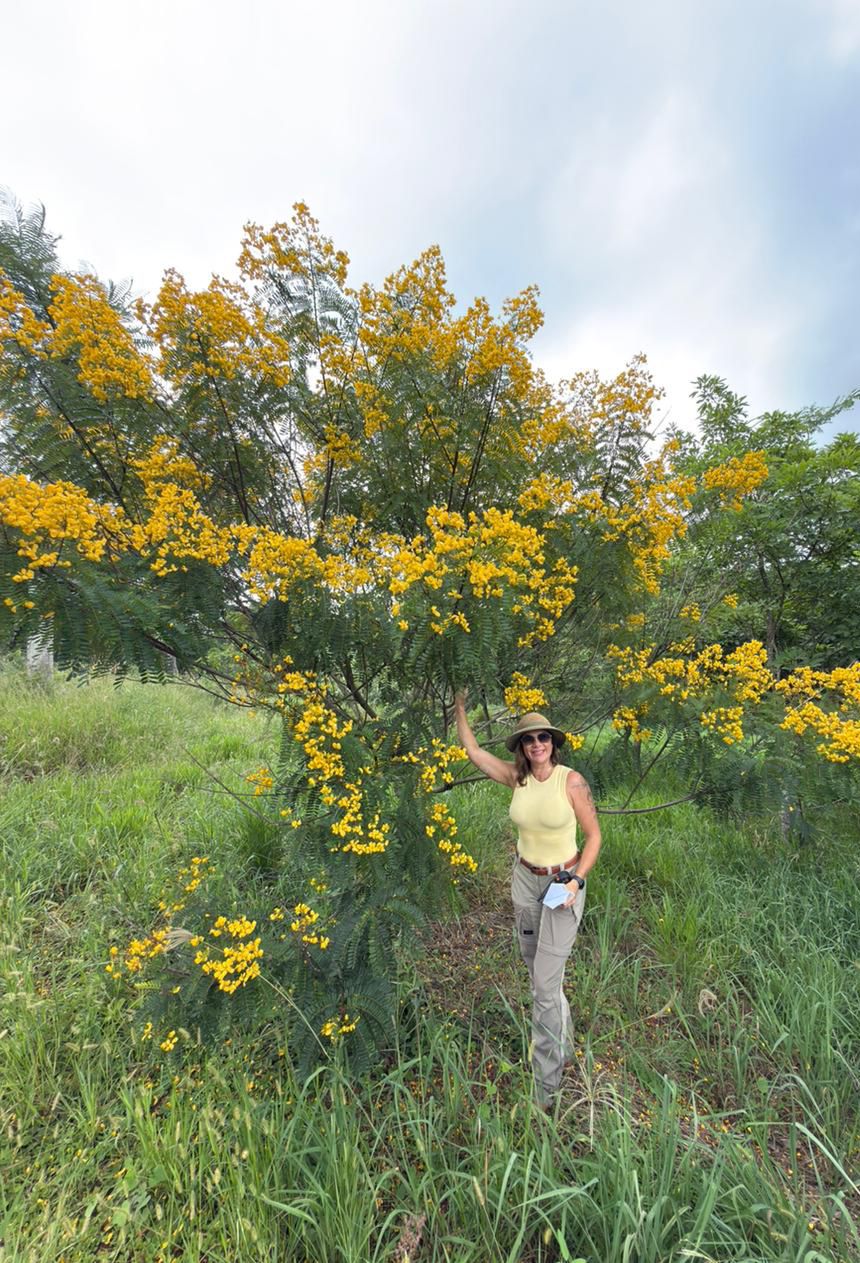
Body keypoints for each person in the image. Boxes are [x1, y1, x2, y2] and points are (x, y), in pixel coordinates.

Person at [453, 691, 602, 1108]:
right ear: (521, 746)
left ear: (553, 742)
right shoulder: (516, 779)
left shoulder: (570, 781)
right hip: (525, 881)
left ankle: (545, 1088)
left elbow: (594, 837)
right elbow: (473, 751)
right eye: (529, 739)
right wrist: (460, 706)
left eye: (543, 737)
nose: (537, 744)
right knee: (539, 972)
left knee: (542, 988)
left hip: (562, 884)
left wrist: (576, 881)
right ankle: (564, 1041)